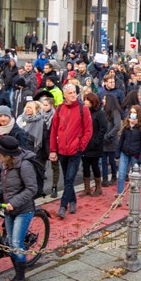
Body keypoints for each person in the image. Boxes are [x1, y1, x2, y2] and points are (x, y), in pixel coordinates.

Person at [49, 84, 93, 219]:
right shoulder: (59, 109)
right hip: (62, 150)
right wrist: (53, 150)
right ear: (64, 95)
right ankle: (72, 201)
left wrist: (81, 146)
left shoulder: (83, 109)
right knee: (68, 178)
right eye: (70, 93)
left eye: (74, 92)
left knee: (69, 178)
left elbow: (88, 130)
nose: (73, 95)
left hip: (75, 151)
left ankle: (63, 206)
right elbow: (54, 130)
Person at [116, 105, 141, 197]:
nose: (133, 114)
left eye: (135, 112)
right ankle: (119, 195)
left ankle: (133, 196)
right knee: (122, 174)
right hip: (124, 152)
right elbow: (121, 140)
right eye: (131, 112)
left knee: (135, 176)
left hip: (136, 154)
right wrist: (117, 152)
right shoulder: (127, 125)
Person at [81, 93, 107, 197]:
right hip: (84, 143)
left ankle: (98, 187)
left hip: (95, 144)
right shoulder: (83, 112)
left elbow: (103, 128)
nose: (86, 102)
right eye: (85, 100)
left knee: (95, 165)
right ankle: (86, 188)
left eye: (88, 100)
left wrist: (96, 141)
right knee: (85, 166)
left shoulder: (99, 113)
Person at [101, 94, 122, 186]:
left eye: (105, 98)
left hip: (111, 140)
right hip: (104, 139)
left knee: (112, 160)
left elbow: (117, 126)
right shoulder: (103, 111)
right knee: (103, 160)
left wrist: (108, 135)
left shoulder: (115, 111)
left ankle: (114, 176)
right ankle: (104, 178)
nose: (103, 100)